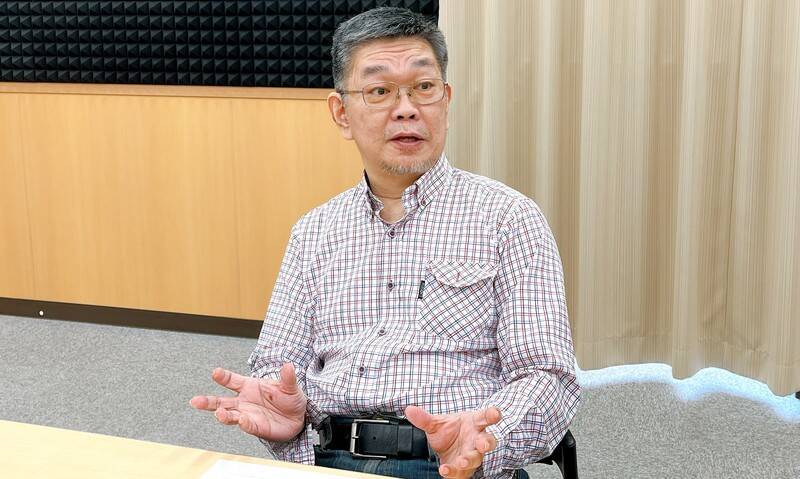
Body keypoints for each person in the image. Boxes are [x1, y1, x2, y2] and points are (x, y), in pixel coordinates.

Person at [191, 7, 580, 479]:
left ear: (446, 100)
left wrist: (489, 439)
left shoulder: (508, 218)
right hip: (328, 460)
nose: (407, 108)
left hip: (451, 465)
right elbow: (278, 364)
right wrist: (285, 420)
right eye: (379, 91)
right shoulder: (314, 231)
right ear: (342, 113)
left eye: (424, 87)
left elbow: (548, 377)